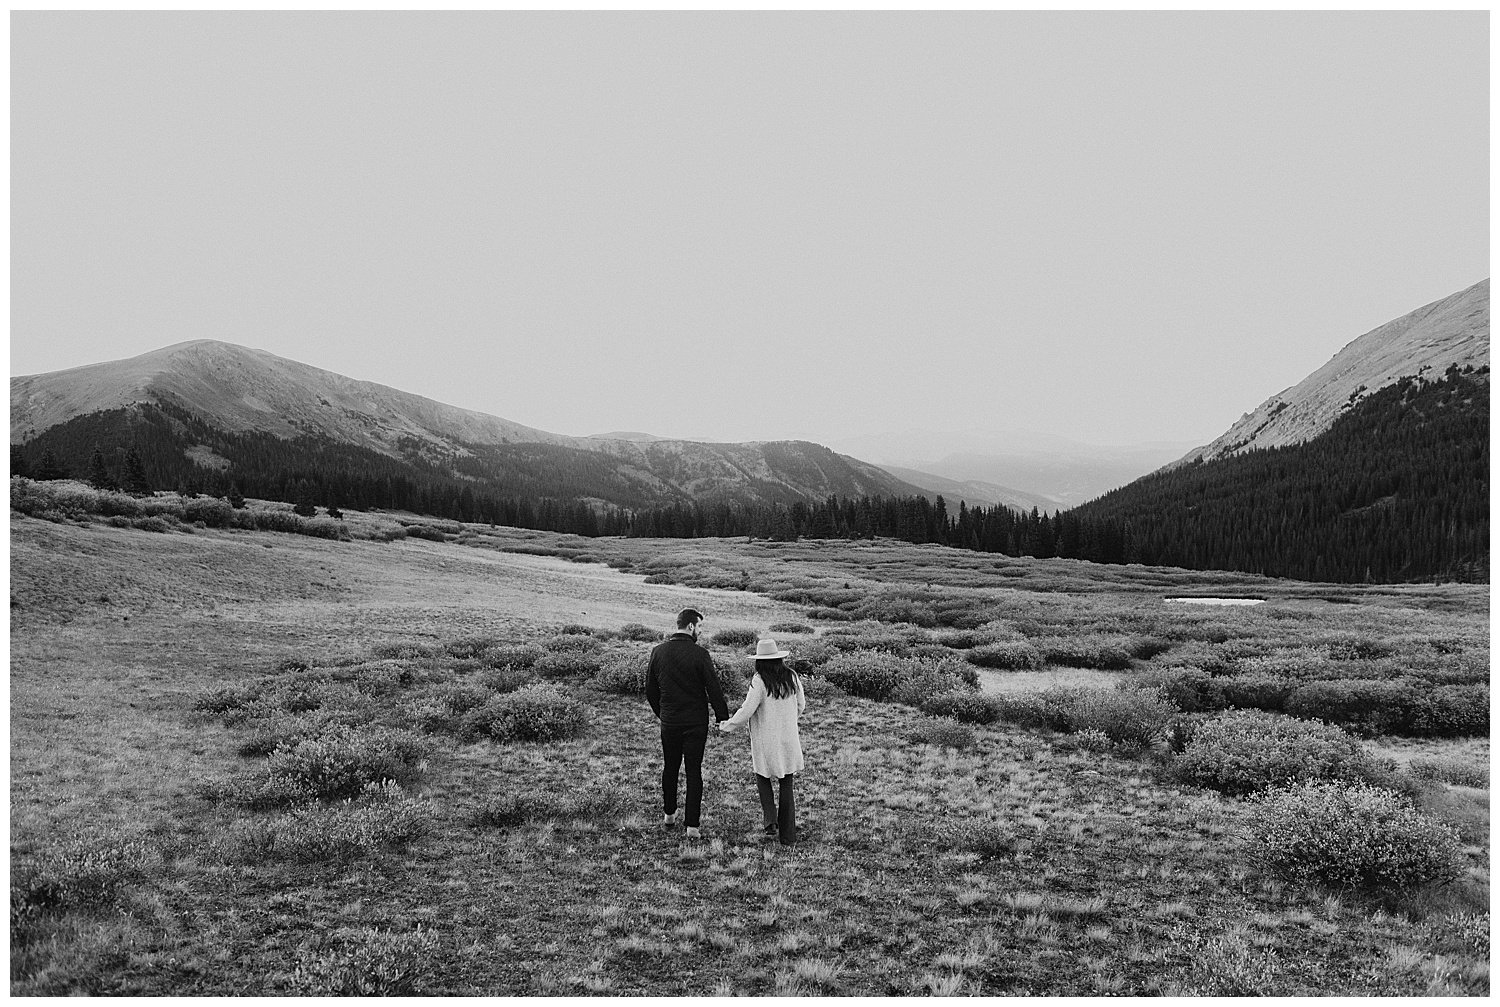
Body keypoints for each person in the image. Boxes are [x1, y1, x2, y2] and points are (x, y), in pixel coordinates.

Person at [646, 607, 729, 840]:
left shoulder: (658, 652)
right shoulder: (700, 654)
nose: (701, 632)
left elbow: (650, 690)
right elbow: (714, 689)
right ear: (691, 626)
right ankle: (692, 826)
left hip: (670, 722)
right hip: (695, 723)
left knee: (670, 767)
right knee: (694, 771)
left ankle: (669, 815)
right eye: (700, 627)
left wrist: (663, 714)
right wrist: (722, 718)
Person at [718, 638, 806, 846]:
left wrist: (729, 724)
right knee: (787, 782)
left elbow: (747, 709)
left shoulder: (759, 680)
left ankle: (770, 822)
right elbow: (801, 704)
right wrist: (789, 721)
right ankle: (788, 835)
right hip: (788, 737)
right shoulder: (791, 677)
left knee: (762, 775)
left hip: (766, 738)